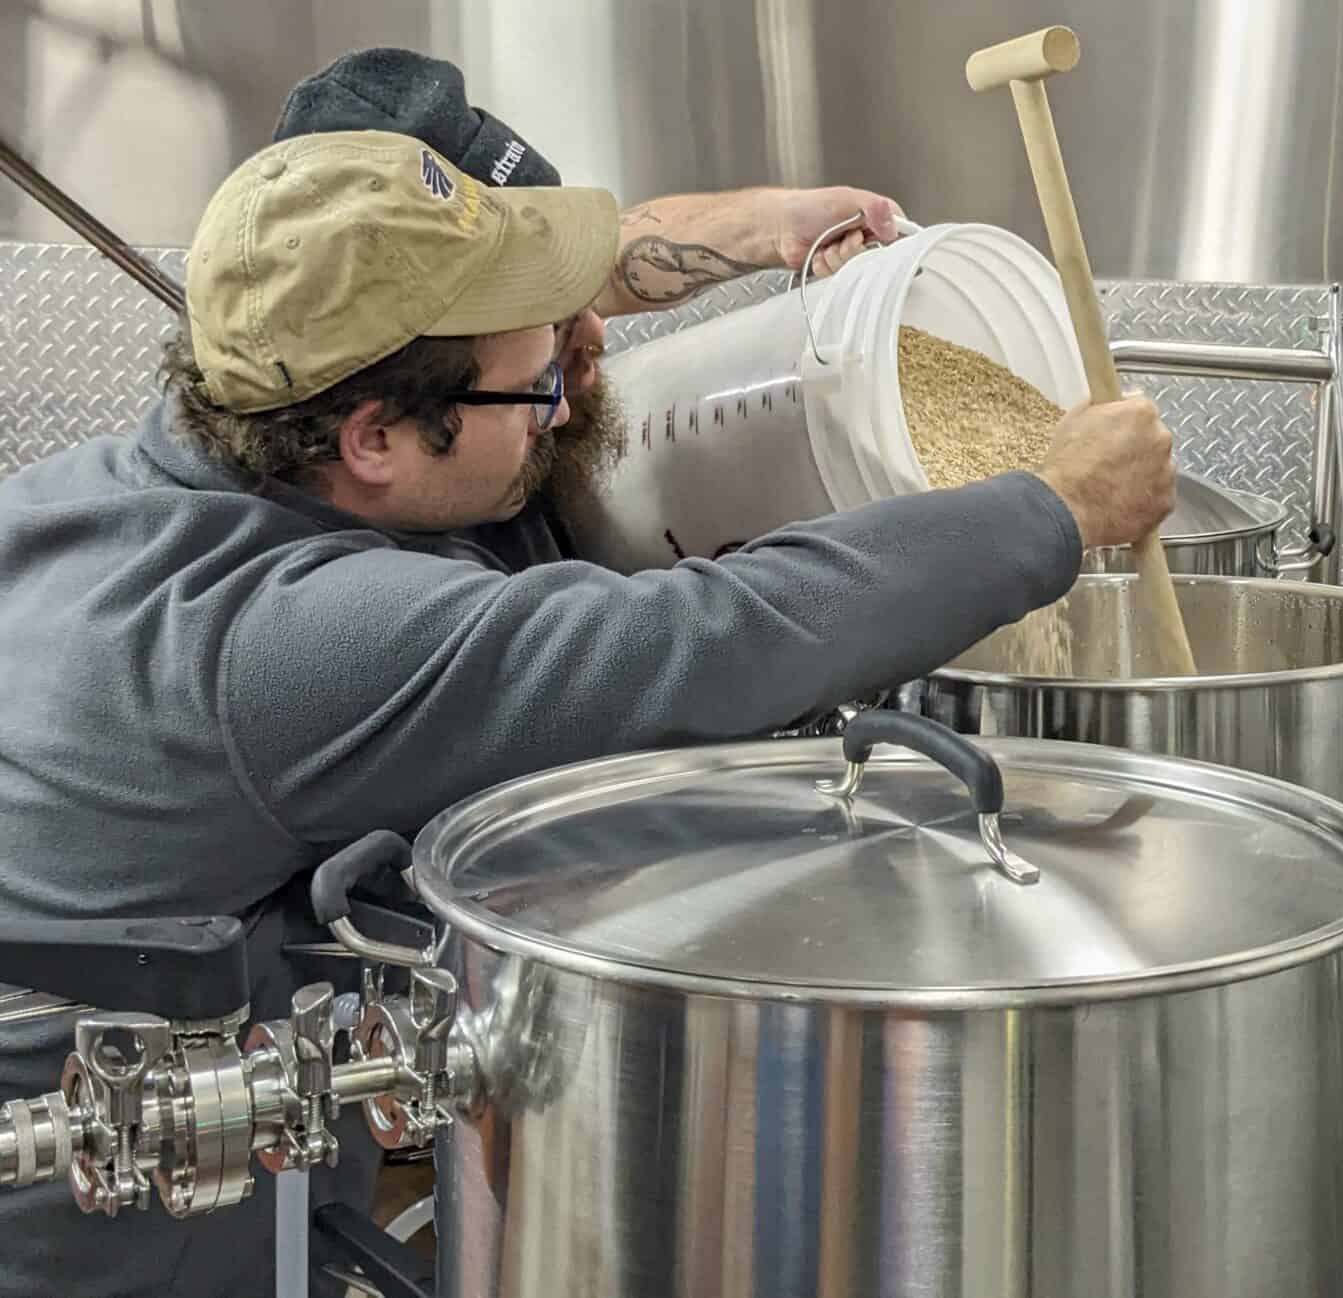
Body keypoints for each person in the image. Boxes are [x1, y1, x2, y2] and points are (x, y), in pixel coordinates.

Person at [0, 129, 1172, 1298]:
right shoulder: (285, 645)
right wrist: (1053, 508)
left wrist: (769, 227)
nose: (563, 411)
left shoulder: (118, 482)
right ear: (374, 439)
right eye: (538, 389)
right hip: (125, 1238)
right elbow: (695, 641)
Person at [272, 46, 904, 567]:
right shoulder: (322, 598)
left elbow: (619, 253)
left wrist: (771, 227)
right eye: (542, 315)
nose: (595, 327)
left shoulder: (437, 379)